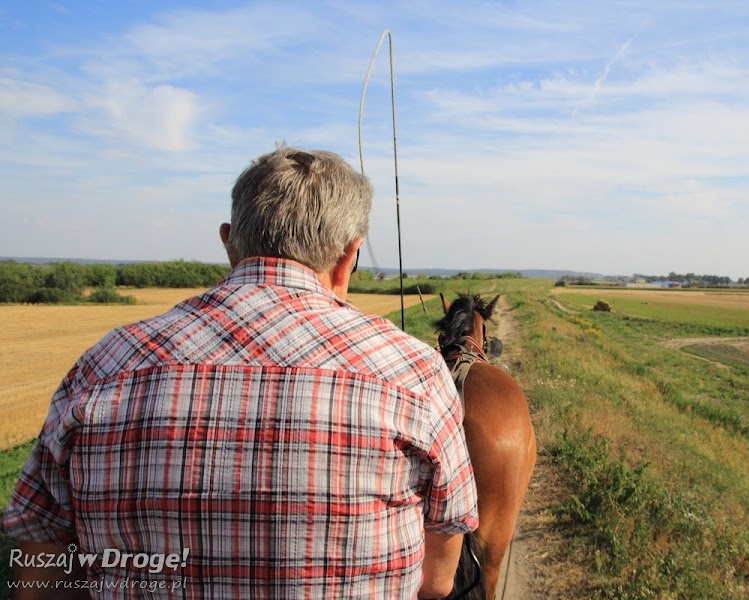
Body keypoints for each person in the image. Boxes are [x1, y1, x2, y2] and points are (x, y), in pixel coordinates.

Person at [3, 147, 479, 599]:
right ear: (349, 255)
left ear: (229, 243)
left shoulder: (104, 365)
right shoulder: (412, 371)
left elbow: (39, 561)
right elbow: (436, 579)